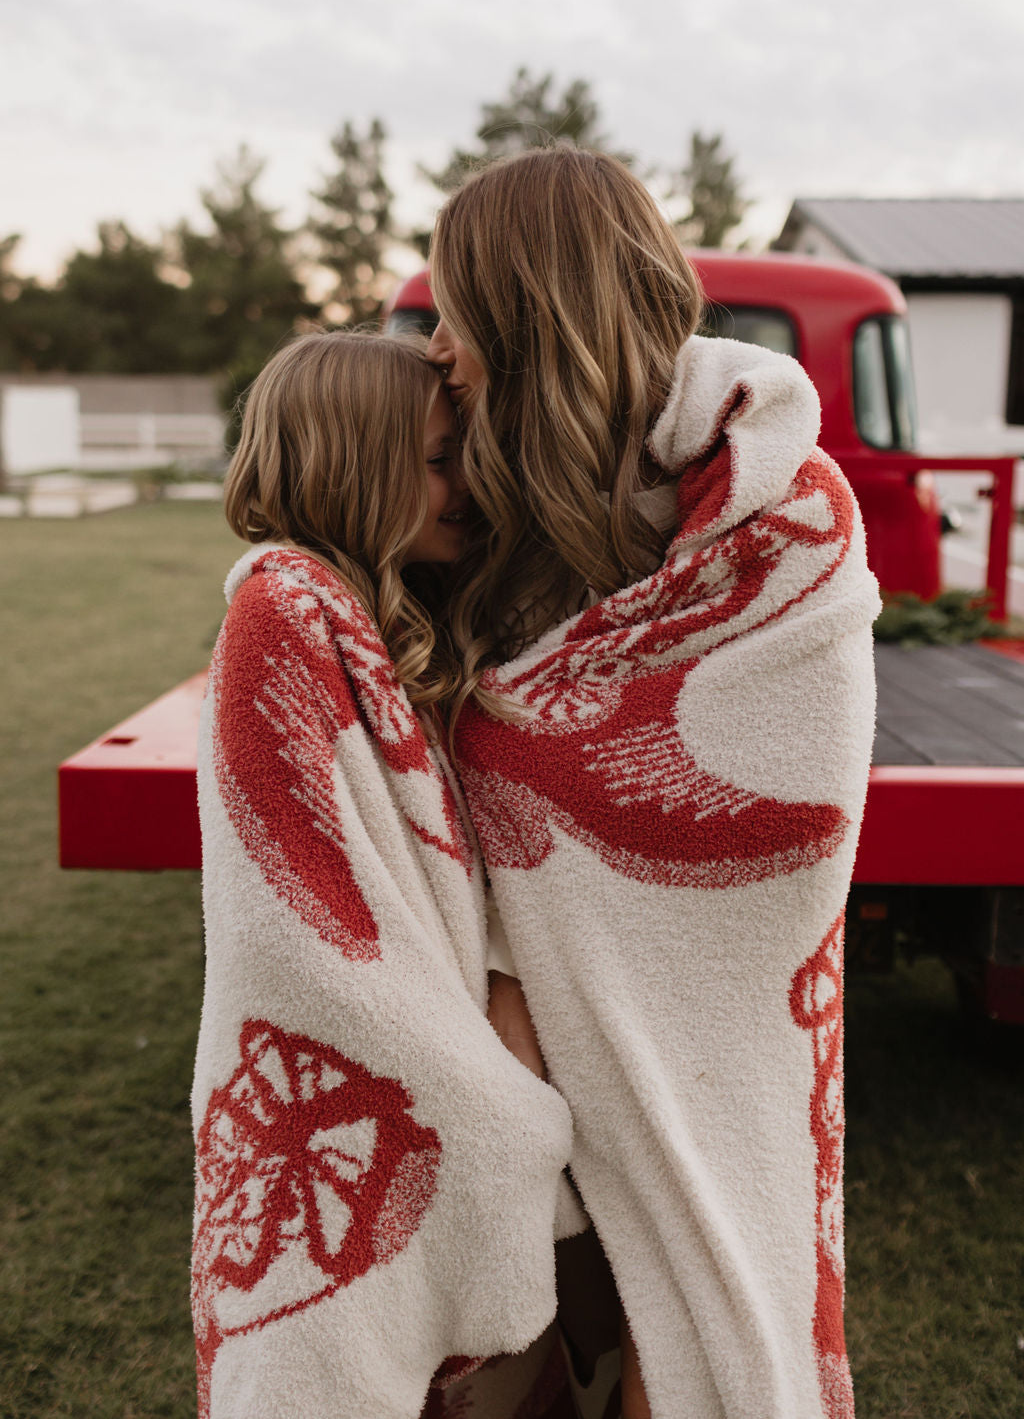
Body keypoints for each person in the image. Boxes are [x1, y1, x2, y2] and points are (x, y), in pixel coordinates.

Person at [426, 147, 881, 1419]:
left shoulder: (777, 513)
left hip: (707, 1032)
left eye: (456, 308)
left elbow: (794, 814)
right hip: (500, 1047)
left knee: (683, 1347)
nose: (439, 346)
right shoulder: (482, 517)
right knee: (519, 1352)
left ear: (522, 309)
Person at [190, 329, 582, 1419]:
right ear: (347, 459)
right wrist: (491, 1103)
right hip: (365, 1088)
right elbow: (300, 928)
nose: (465, 484)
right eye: (437, 456)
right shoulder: (281, 616)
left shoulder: (369, 613)